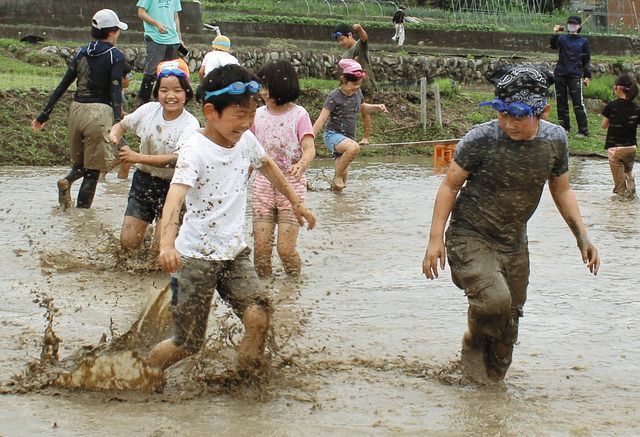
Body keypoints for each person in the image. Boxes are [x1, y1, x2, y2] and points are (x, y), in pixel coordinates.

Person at [422, 65, 600, 384]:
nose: (509, 123)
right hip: (470, 235)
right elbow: (449, 185)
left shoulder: (554, 141)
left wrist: (582, 237)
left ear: (541, 111)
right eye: (503, 114)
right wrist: (435, 239)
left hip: (514, 243)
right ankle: (473, 343)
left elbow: (561, 189)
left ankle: (489, 395)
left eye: (518, 116)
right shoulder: (480, 138)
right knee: (494, 300)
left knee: (509, 327)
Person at [146, 64, 316, 373]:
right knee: (188, 343)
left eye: (252, 115)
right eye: (240, 116)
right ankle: (142, 374)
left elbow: (269, 167)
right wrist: (166, 245)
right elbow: (175, 198)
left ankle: (245, 380)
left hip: (234, 255)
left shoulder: (246, 141)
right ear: (211, 112)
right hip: (194, 259)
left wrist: (297, 203)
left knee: (259, 315)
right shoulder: (194, 149)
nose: (247, 124)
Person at [31, 9, 127, 210]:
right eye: (117, 30)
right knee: (93, 171)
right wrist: (119, 121)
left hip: (76, 110)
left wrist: (44, 114)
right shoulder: (115, 55)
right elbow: (116, 90)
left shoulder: (82, 51)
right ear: (112, 32)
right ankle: (82, 220)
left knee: (80, 163)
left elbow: (63, 85)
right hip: (99, 112)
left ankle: (67, 182)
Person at [108, 58, 200, 252]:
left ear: (187, 93)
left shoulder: (190, 124)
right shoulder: (148, 110)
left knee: (161, 250)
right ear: (157, 92)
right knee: (128, 243)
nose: (170, 96)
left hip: (174, 186)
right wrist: (114, 136)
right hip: (143, 182)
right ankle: (145, 233)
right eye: (164, 90)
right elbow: (121, 125)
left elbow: (177, 159)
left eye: (177, 90)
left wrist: (137, 157)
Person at [252, 60, 316, 277]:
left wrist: (301, 164)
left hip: (292, 184)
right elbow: (249, 150)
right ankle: (266, 297)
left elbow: (309, 149)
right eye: (261, 87)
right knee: (260, 252)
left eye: (268, 87)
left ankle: (292, 291)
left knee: (285, 250)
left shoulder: (299, 115)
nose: (263, 92)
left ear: (284, 85)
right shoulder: (257, 114)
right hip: (263, 184)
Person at [313, 59, 387, 191]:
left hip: (348, 138)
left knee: (342, 179)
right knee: (354, 148)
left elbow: (362, 108)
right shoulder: (334, 96)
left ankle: (338, 204)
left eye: (359, 84)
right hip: (333, 136)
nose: (356, 87)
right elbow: (322, 119)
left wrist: (377, 107)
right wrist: (309, 137)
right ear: (343, 80)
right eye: (354, 84)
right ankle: (337, 177)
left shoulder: (357, 93)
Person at [332, 23, 376, 145]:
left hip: (365, 83)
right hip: (351, 87)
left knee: (364, 111)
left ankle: (366, 137)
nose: (341, 43)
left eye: (342, 39)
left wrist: (360, 29)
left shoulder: (358, 47)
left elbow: (364, 38)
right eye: (338, 41)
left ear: (350, 35)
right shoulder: (344, 56)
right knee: (347, 111)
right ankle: (346, 136)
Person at [551, 15, 592, 137]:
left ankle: (583, 130)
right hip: (560, 73)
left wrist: (587, 76)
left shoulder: (583, 41)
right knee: (561, 101)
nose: (571, 25)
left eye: (574, 24)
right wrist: (554, 33)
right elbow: (553, 46)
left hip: (575, 75)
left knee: (578, 103)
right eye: (570, 23)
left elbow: (586, 60)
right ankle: (564, 128)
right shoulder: (562, 38)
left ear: (579, 26)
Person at [137, 0, 184, 104]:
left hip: (173, 39)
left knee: (170, 72)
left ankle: (165, 100)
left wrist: (179, 38)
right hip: (155, 37)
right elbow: (141, 12)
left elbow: (175, 17)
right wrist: (156, 24)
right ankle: (143, 102)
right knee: (152, 71)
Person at [601, 74, 639, 199]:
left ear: (617, 89)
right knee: (627, 171)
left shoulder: (612, 105)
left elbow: (604, 125)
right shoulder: (636, 108)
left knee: (619, 186)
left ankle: (620, 198)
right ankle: (632, 185)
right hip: (631, 148)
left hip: (615, 149)